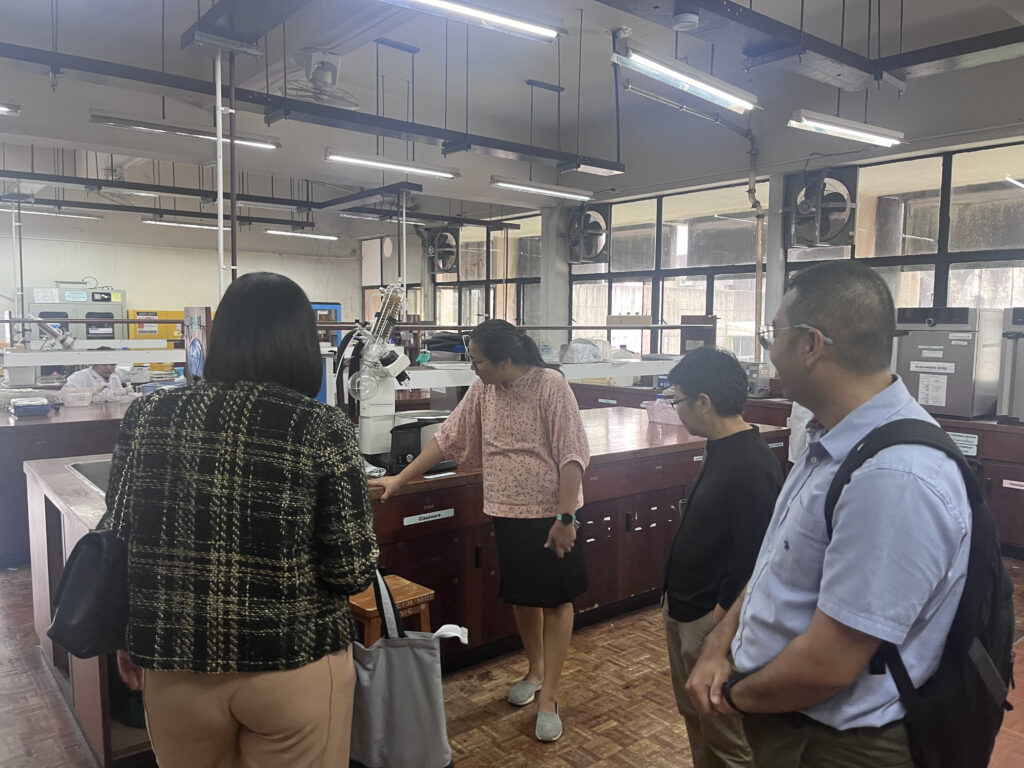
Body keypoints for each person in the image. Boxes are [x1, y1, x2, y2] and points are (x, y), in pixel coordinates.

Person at [686, 260, 971, 766]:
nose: (768, 350)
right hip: (789, 716)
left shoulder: (893, 476)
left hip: (835, 742)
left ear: (810, 344)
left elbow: (829, 664)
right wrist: (718, 644)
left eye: (772, 334)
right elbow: (778, 563)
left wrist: (731, 697)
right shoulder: (835, 440)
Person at [100, 272, 378, 768]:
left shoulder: (148, 415)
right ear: (302, 344)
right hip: (292, 662)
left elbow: (117, 538)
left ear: (219, 336)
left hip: (174, 663)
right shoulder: (320, 425)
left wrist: (125, 633)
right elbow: (351, 570)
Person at [371, 319, 589, 743]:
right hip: (506, 511)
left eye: (478, 361)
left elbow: (572, 455)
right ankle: (534, 671)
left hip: (551, 514)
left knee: (556, 601)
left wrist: (565, 518)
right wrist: (401, 479)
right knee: (523, 597)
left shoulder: (551, 385)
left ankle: (550, 696)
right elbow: (447, 438)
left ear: (505, 360)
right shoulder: (484, 389)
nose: (473, 368)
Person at [661, 346, 783, 768]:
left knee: (727, 738)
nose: (676, 409)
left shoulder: (751, 463)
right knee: (695, 716)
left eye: (677, 400)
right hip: (683, 605)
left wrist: (719, 621)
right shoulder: (719, 446)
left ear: (703, 402)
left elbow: (754, 556)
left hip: (709, 620)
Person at [62, 348, 129, 399]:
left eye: (112, 364)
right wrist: (93, 390)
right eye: (104, 364)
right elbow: (63, 394)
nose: (109, 368)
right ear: (94, 363)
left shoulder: (114, 378)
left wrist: (126, 393)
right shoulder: (80, 376)